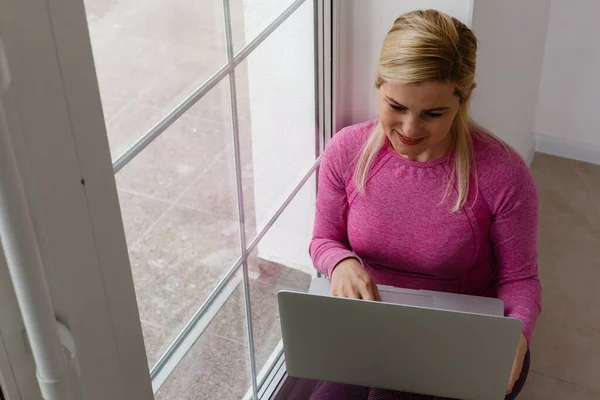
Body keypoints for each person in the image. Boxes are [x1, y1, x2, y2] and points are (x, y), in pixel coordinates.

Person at [309, 9, 541, 400]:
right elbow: (323, 240)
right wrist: (341, 262)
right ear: (378, 86)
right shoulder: (346, 150)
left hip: (458, 335)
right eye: (396, 106)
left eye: (433, 113)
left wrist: (517, 336)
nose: (410, 129)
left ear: (464, 99)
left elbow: (520, 280)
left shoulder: (503, 174)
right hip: (373, 328)